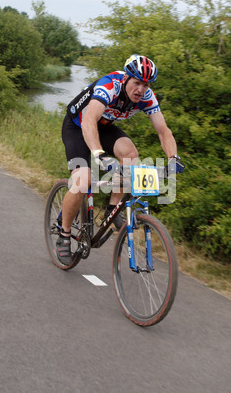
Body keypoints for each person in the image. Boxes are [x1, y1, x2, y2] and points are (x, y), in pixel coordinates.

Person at [57, 54, 183, 265]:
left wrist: (173, 158)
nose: (140, 90)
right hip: (78, 126)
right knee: (83, 179)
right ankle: (64, 234)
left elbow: (163, 131)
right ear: (126, 79)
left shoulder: (147, 97)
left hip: (104, 127)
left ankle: (112, 209)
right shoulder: (109, 85)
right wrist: (98, 154)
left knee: (131, 156)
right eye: (137, 83)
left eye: (145, 85)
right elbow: (89, 121)